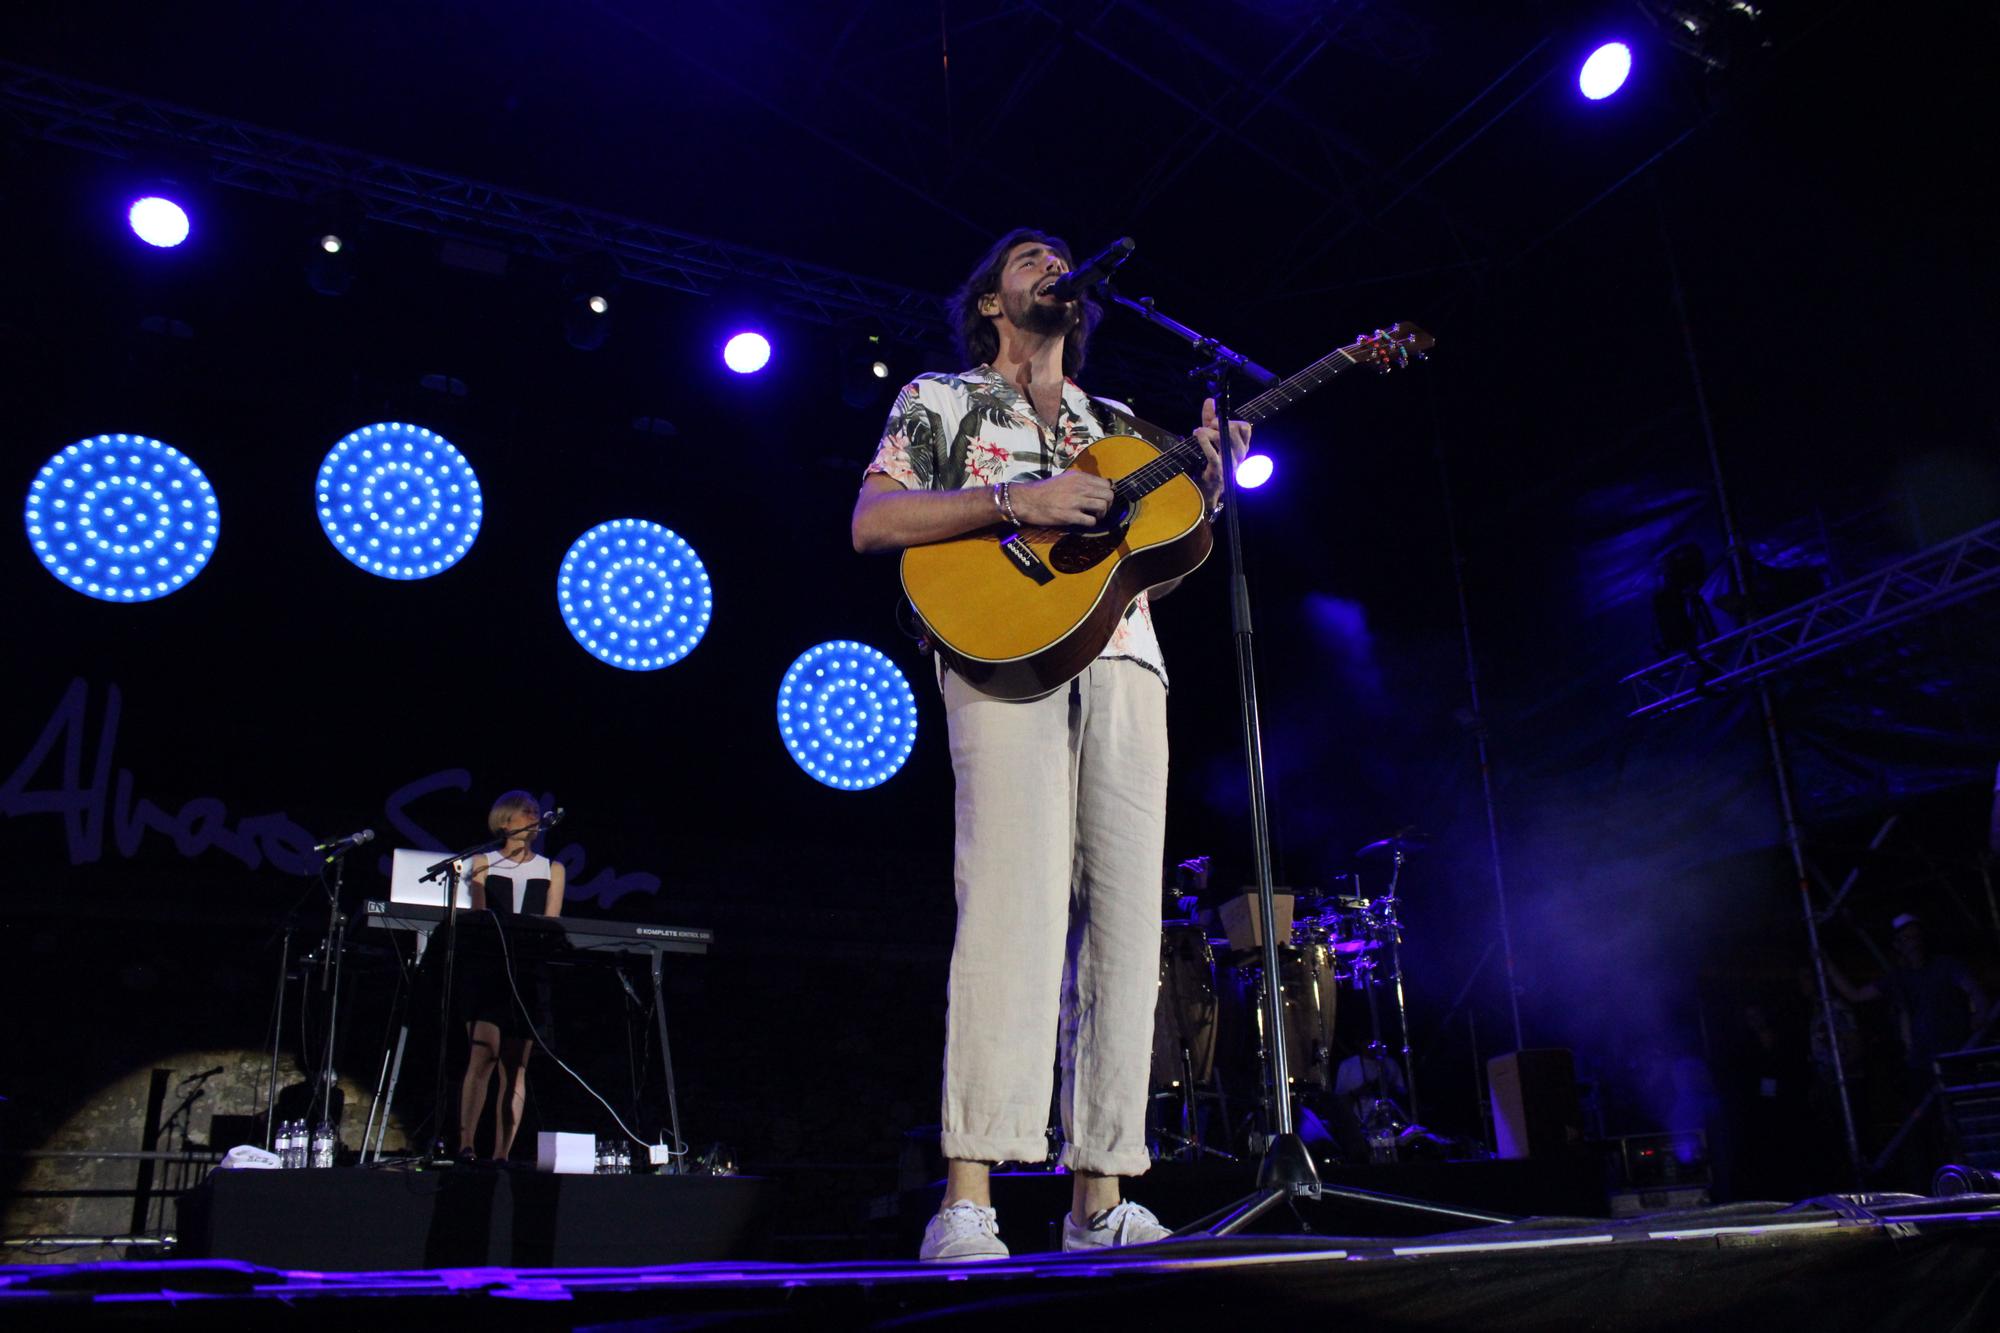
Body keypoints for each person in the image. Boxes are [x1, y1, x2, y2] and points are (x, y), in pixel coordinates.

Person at [852, 227, 1247, 1260]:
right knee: (1009, 909)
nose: (1049, 266)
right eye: (1029, 256)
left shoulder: (1114, 425)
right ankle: (969, 1198)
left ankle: (1099, 1200)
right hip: (997, 658)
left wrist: (1209, 486)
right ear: (988, 300)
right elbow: (871, 521)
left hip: (1123, 663)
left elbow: (1144, 567)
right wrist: (1011, 501)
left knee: (1124, 927)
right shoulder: (939, 397)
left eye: (1058, 258)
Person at [456, 790, 566, 1162]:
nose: (533, 816)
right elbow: (479, 916)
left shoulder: (552, 868)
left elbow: (552, 925)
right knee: (482, 1055)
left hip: (529, 972)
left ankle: (503, 1152)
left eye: (536, 811)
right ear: (505, 821)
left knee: (515, 1065)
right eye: (525, 811)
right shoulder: (482, 861)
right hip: (489, 970)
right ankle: (467, 1144)